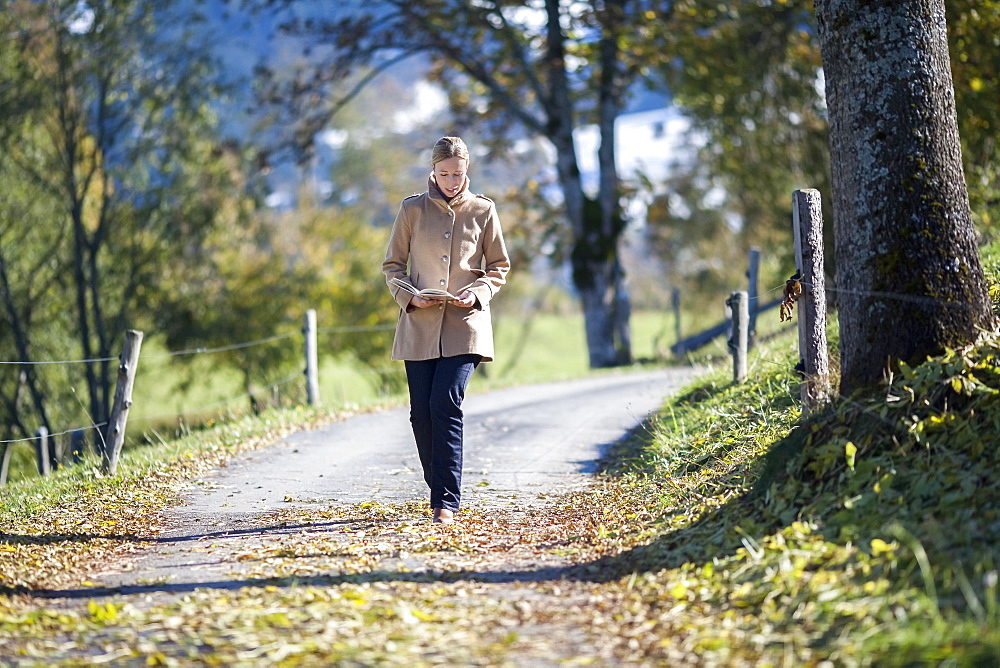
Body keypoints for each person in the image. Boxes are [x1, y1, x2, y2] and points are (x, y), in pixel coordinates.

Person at [382, 136, 511, 525]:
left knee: (445, 404)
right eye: (444, 174)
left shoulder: (484, 210)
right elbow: (392, 267)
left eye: (458, 173)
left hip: (466, 326)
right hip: (419, 325)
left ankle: (446, 503)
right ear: (432, 172)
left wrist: (477, 293)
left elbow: (499, 266)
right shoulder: (411, 210)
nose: (452, 181)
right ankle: (438, 486)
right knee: (420, 414)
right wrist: (409, 296)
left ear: (466, 170)